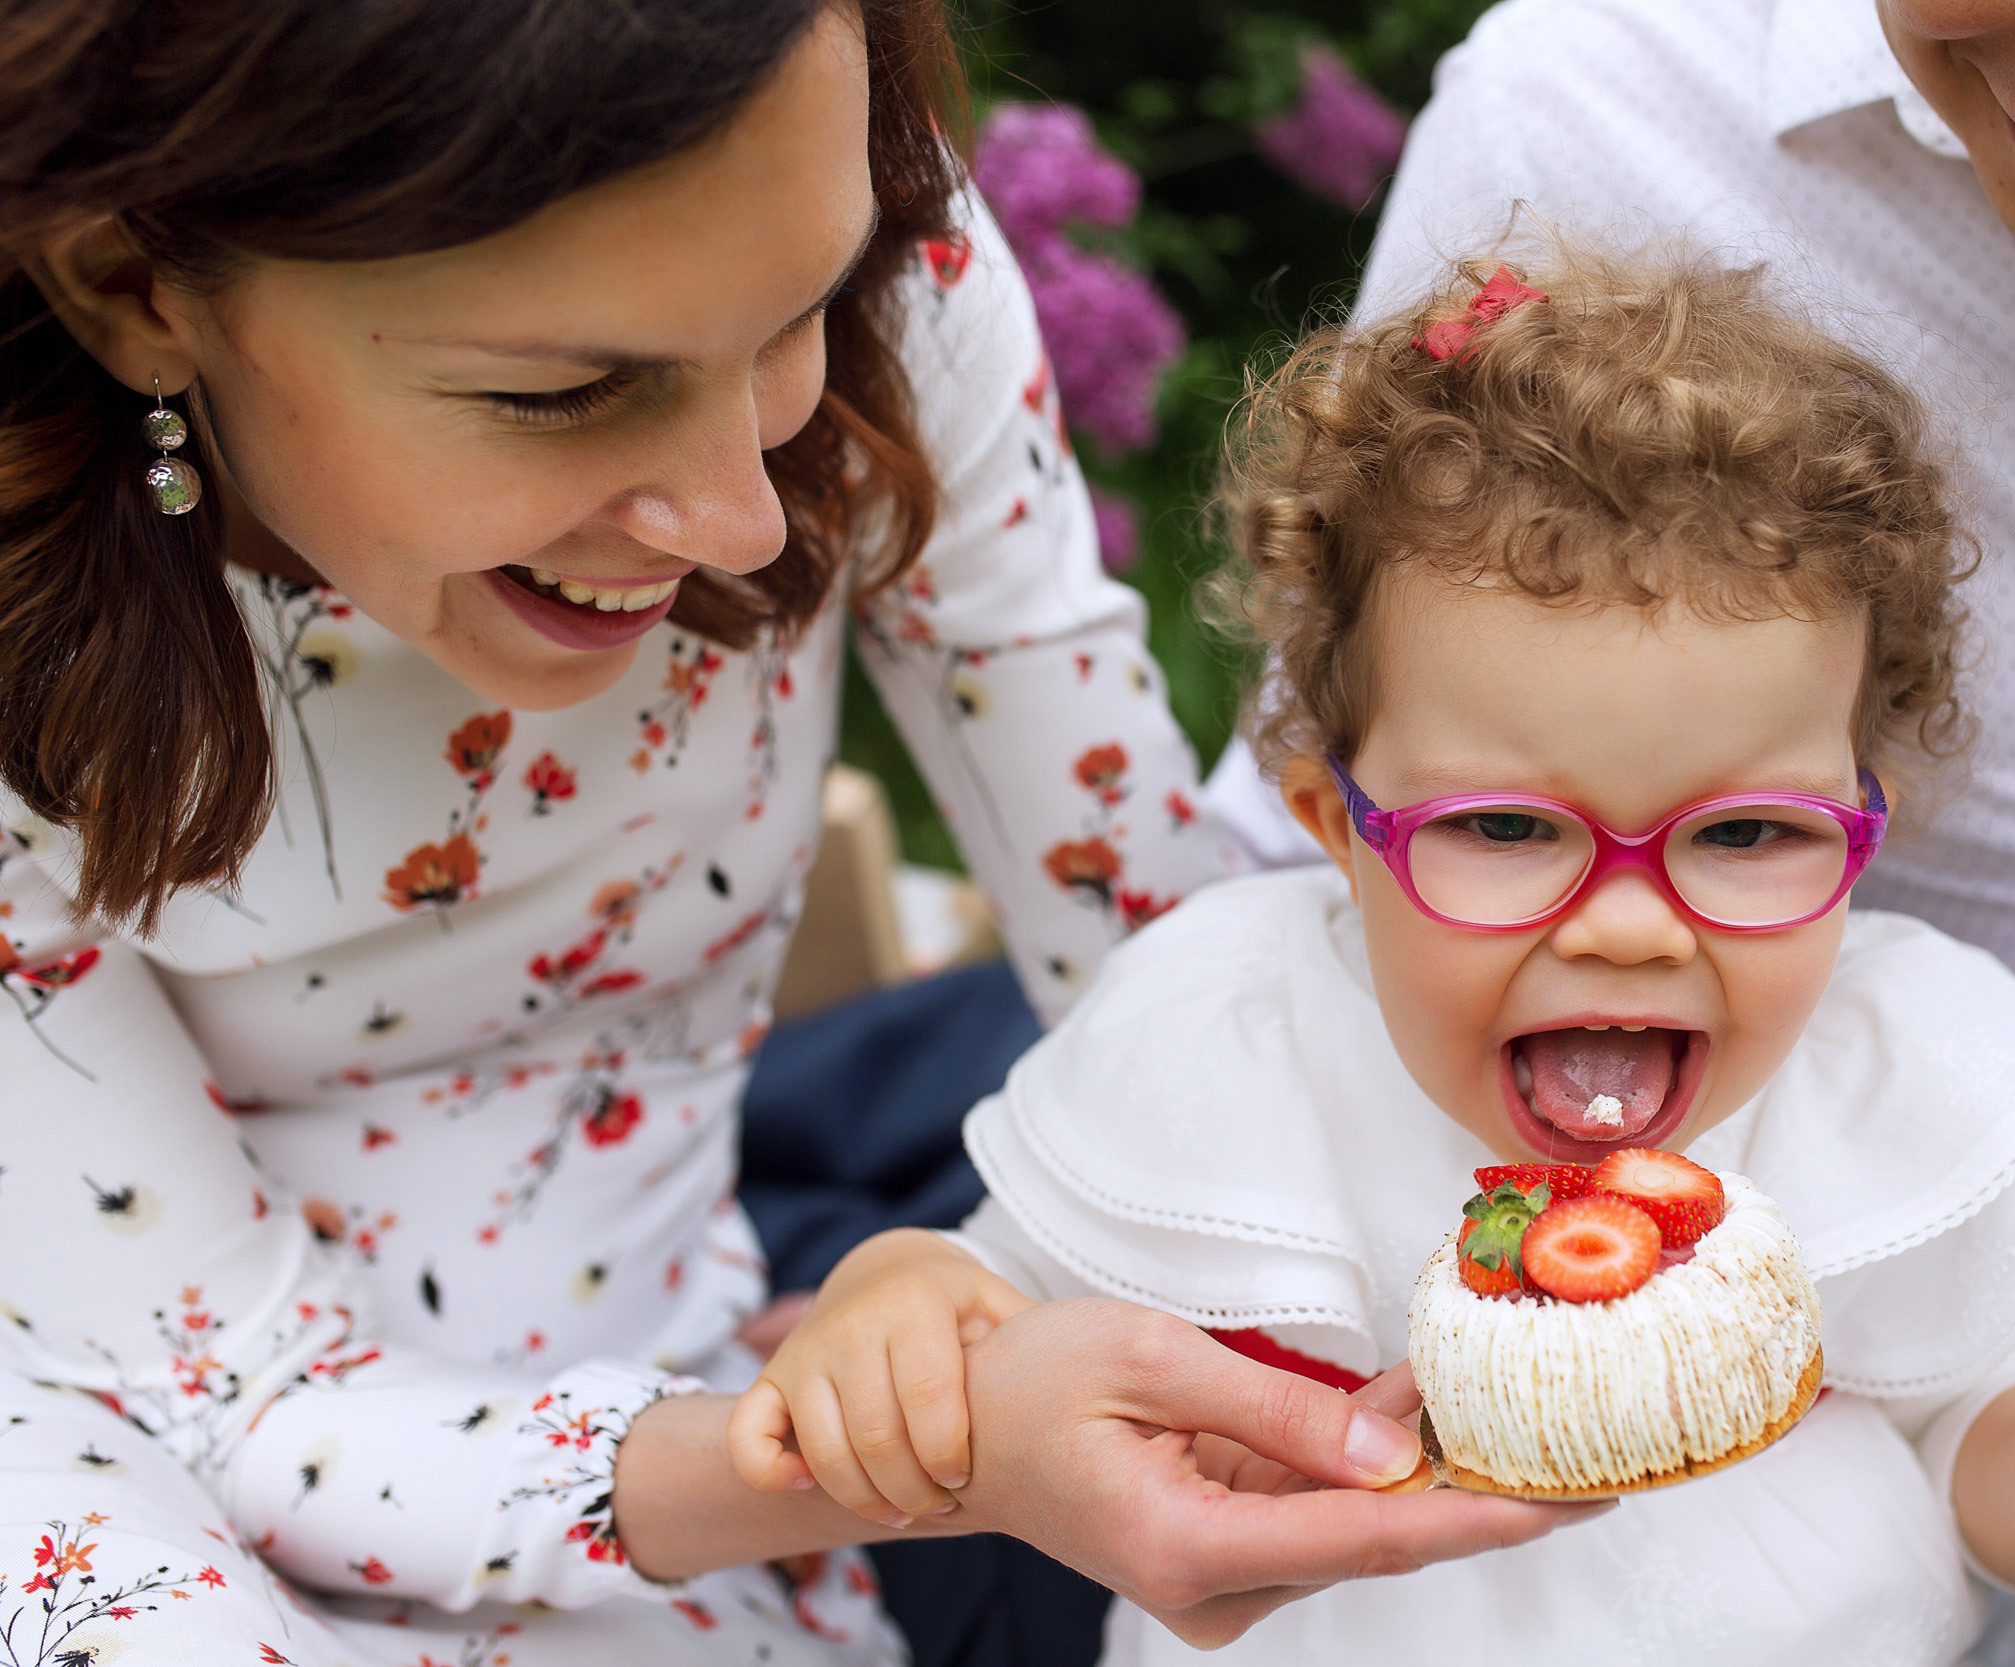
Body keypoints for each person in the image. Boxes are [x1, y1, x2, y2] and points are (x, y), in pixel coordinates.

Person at [0, 4, 1581, 1663]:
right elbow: (235, 1398)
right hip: (119, 1443)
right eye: (565, 392)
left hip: (676, 1423)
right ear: (132, 288)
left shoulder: (886, 253)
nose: (743, 519)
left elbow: (1143, 944)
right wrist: (891, 1453)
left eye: (792, 320)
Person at [1225, 3, 2015, 1661]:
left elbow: (1993, 1439)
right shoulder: (1591, 112)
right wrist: (935, 1318)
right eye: (1515, 829)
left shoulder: (1906, 1093)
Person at [728, 248, 2015, 1665]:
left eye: (1747, 834)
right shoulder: (1238, 1030)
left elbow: (1973, 1436)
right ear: (1338, 829)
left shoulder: (1876, 1070)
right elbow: (1000, 1293)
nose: (1629, 926)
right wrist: (897, 1292)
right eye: (1505, 827)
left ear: (1860, 824)